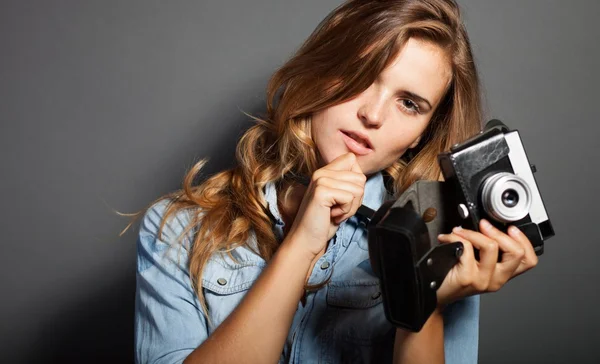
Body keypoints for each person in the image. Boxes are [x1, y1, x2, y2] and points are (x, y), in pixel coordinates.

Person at [128, 0, 538, 363]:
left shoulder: (444, 248)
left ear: (422, 134)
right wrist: (302, 244)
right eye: (361, 75)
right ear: (321, 71)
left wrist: (424, 304)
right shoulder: (180, 228)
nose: (373, 115)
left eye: (409, 104)